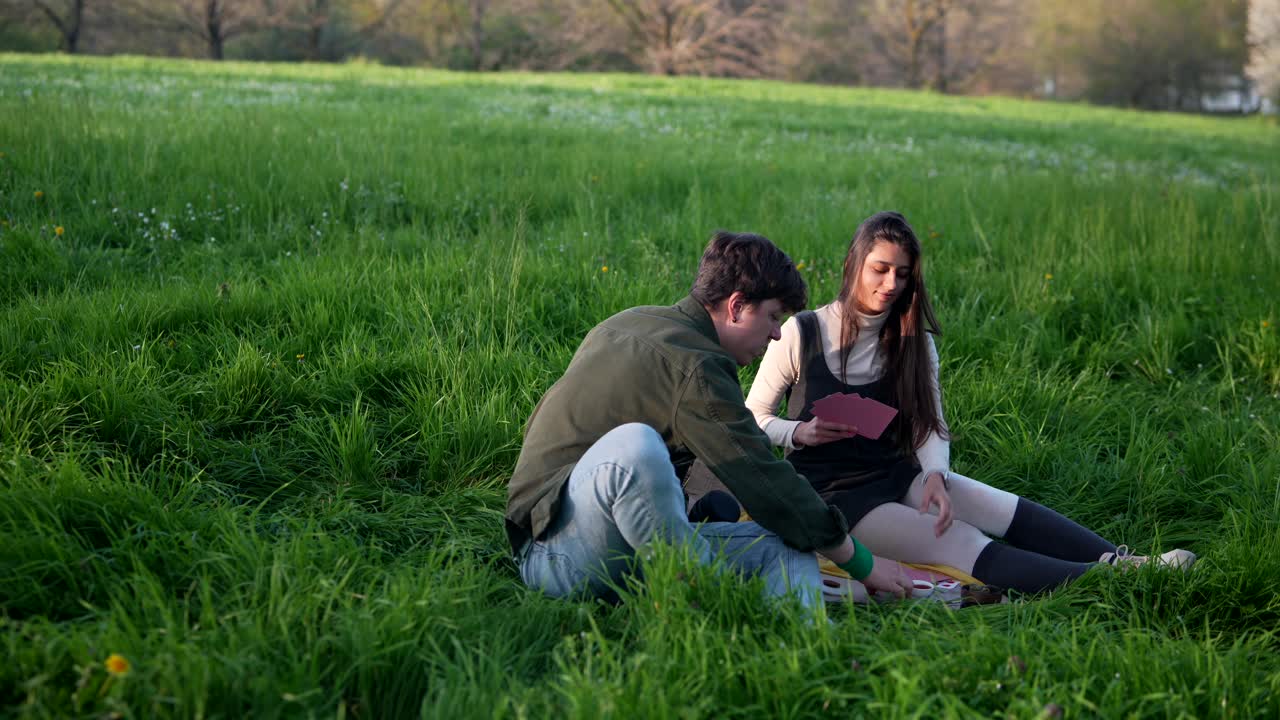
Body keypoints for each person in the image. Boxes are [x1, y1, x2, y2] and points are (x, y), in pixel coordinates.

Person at [744, 211, 1195, 595]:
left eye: (902, 273)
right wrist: (798, 431)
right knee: (958, 540)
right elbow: (753, 418)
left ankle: (1131, 560)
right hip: (833, 492)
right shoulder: (802, 332)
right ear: (854, 263)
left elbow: (930, 425)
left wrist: (937, 474)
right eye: (880, 269)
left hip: (895, 470)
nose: (890, 283)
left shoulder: (913, 341)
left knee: (999, 505)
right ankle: (1110, 579)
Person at [505, 230, 914, 611]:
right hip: (557, 552)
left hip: (616, 535)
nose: (776, 334)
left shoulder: (635, 319)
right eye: (773, 317)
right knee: (636, 445)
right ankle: (694, 596)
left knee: (789, 546)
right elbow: (763, 478)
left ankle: (801, 651)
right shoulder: (697, 365)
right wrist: (863, 563)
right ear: (736, 307)